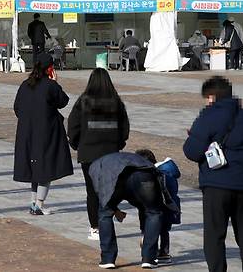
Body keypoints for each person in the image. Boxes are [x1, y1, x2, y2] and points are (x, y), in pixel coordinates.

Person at [183, 76, 243, 272]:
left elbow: (192, 152)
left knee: (215, 235)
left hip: (216, 184)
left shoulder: (208, 117)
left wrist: (196, 137)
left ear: (212, 96)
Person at [68, 68, 129, 241]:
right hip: (110, 152)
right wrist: (118, 144)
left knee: (92, 192)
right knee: (108, 190)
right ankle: (107, 222)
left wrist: (76, 144)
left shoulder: (84, 101)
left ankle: (95, 227)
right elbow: (124, 128)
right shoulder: (115, 102)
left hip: (88, 153)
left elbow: (73, 126)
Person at [13, 53, 73, 215]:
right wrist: (55, 82)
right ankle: (39, 204)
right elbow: (63, 101)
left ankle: (33, 202)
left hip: (27, 131)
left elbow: (17, 107)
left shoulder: (25, 84)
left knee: (34, 167)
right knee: (45, 167)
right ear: (50, 68)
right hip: (46, 132)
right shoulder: (49, 85)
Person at [89, 152, 170, 269]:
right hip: (143, 176)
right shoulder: (143, 162)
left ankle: (107, 259)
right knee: (153, 212)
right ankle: (149, 258)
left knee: (104, 214)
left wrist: (113, 209)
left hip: (112, 176)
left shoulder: (96, 166)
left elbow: (101, 196)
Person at [136, 149, 181, 265]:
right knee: (164, 231)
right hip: (170, 206)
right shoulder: (169, 171)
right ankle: (164, 253)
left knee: (152, 228)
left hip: (157, 206)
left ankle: (151, 252)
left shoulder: (155, 173)